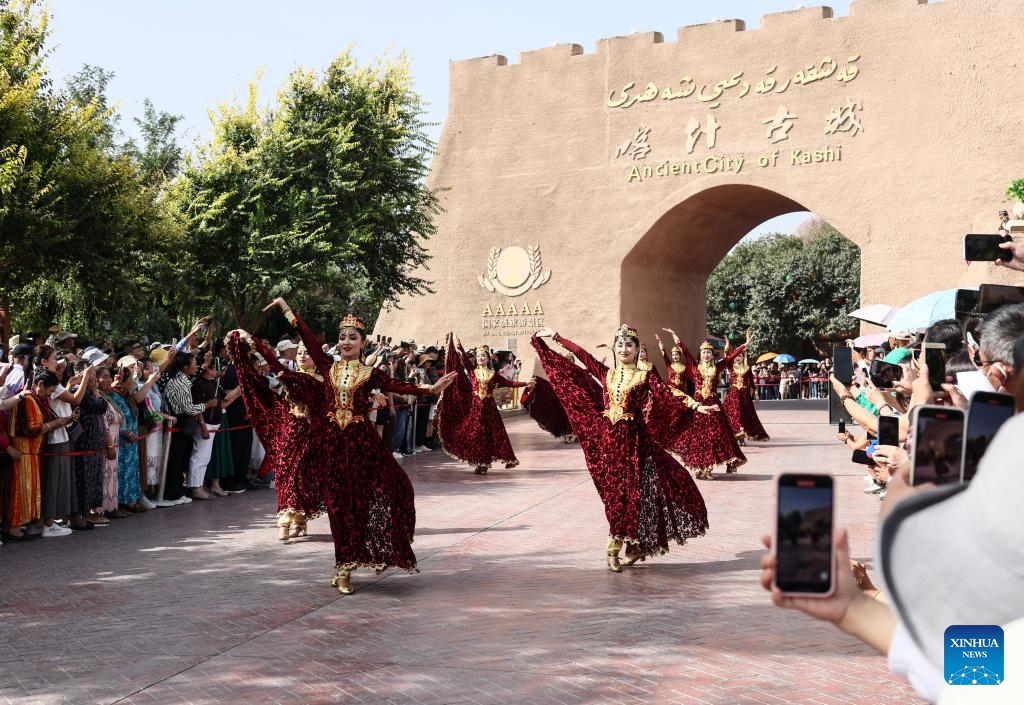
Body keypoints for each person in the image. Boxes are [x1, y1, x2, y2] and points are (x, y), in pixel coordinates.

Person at [262, 298, 456, 594]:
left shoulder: (370, 374)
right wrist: (287, 309)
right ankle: (343, 567)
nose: (346, 342)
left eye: (353, 337)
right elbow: (309, 338)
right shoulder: (327, 367)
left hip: (362, 446)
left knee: (382, 493)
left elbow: (399, 387)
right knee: (339, 506)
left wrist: (429, 388)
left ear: (363, 342)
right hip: (332, 447)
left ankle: (361, 554)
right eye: (342, 337)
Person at [532, 325, 715, 571]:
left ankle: (616, 547)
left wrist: (695, 406)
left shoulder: (644, 375)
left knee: (640, 492)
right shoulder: (606, 373)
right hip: (609, 444)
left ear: (638, 349)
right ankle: (631, 544)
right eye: (620, 344)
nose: (624, 349)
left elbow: (666, 392)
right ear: (615, 348)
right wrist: (556, 337)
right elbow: (582, 354)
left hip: (636, 443)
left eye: (629, 345)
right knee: (614, 496)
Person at [226, 331, 330, 540]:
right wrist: (248, 343)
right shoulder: (290, 376)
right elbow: (272, 369)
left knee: (301, 477)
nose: (302, 355)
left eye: (307, 353)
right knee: (284, 473)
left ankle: (298, 518)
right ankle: (285, 517)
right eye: (299, 352)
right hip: (289, 429)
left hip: (310, 434)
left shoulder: (322, 381)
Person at [656, 329, 748, 478]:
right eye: (704, 352)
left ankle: (709, 468)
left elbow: (730, 358)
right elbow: (685, 351)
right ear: (701, 354)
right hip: (698, 404)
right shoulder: (694, 366)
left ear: (712, 355)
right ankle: (699, 467)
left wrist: (744, 345)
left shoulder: (717, 368)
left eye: (708, 353)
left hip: (712, 403)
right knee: (698, 438)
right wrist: (675, 336)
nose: (706, 355)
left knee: (714, 435)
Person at [436, 334, 533, 475]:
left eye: (483, 356)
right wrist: (458, 344)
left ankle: (485, 462)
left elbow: (509, 383)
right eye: (479, 356)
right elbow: (463, 358)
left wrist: (526, 383)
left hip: (489, 408)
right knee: (476, 434)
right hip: (475, 407)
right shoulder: (473, 371)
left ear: (488, 359)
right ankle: (479, 461)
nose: (480, 358)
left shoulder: (493, 374)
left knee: (489, 435)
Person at [721, 341, 770, 444]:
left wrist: (756, 394)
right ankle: (739, 437)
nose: (738, 357)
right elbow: (726, 359)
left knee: (745, 416)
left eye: (740, 355)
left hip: (744, 396)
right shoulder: (731, 367)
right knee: (735, 415)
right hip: (733, 395)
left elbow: (751, 383)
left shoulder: (747, 369)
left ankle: (743, 436)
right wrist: (726, 348)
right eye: (736, 356)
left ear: (743, 357)